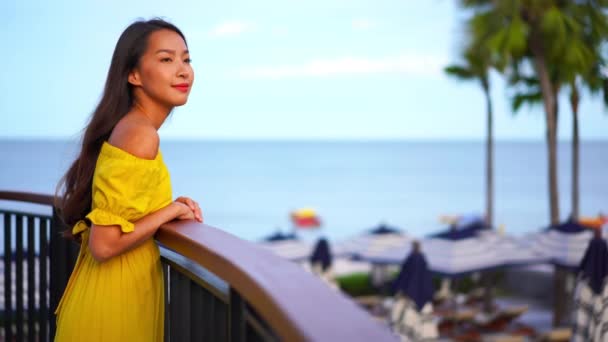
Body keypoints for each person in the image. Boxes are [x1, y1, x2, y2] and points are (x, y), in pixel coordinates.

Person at [54, 18, 202, 341]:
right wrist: (169, 212)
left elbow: (125, 212)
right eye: (166, 59)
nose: (183, 70)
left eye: (186, 59)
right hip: (112, 307)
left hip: (112, 294)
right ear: (133, 75)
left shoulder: (130, 127)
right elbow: (104, 244)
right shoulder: (140, 134)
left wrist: (169, 206)